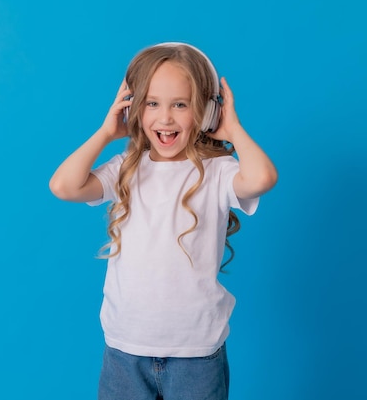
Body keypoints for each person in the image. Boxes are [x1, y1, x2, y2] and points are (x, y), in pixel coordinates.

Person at [49, 42, 278, 400]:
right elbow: (63, 186)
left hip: (196, 354)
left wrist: (232, 129)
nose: (165, 118)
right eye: (152, 103)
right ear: (134, 108)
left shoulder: (218, 173)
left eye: (181, 105)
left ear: (205, 113)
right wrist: (107, 133)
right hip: (125, 349)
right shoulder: (126, 167)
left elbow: (263, 178)